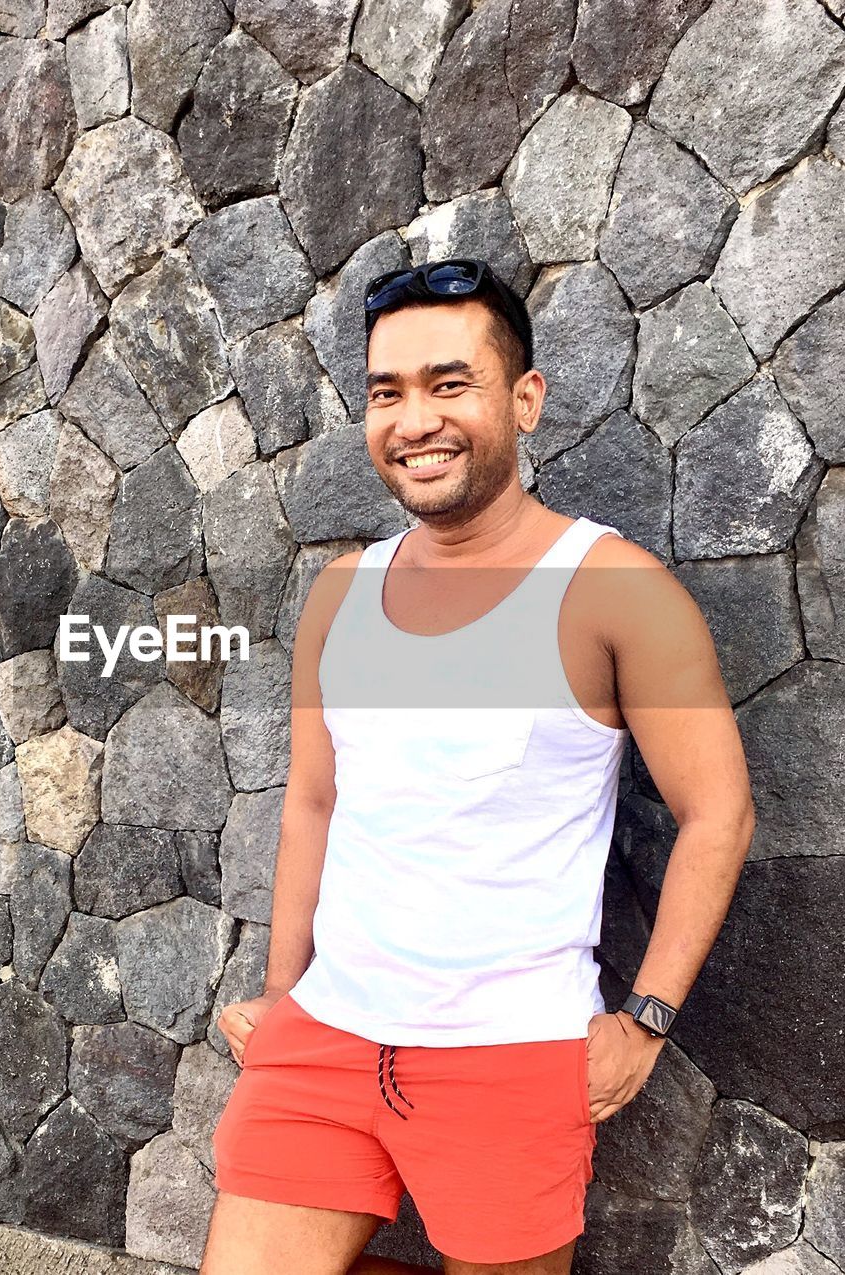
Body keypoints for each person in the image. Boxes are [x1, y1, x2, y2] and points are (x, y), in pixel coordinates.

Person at [200, 258, 756, 1275]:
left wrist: (643, 1019)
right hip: (320, 1043)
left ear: (522, 399)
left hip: (507, 1058)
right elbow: (313, 804)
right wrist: (281, 998)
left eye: (447, 384)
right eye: (387, 393)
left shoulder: (612, 591)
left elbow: (715, 811)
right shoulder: (340, 593)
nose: (414, 419)